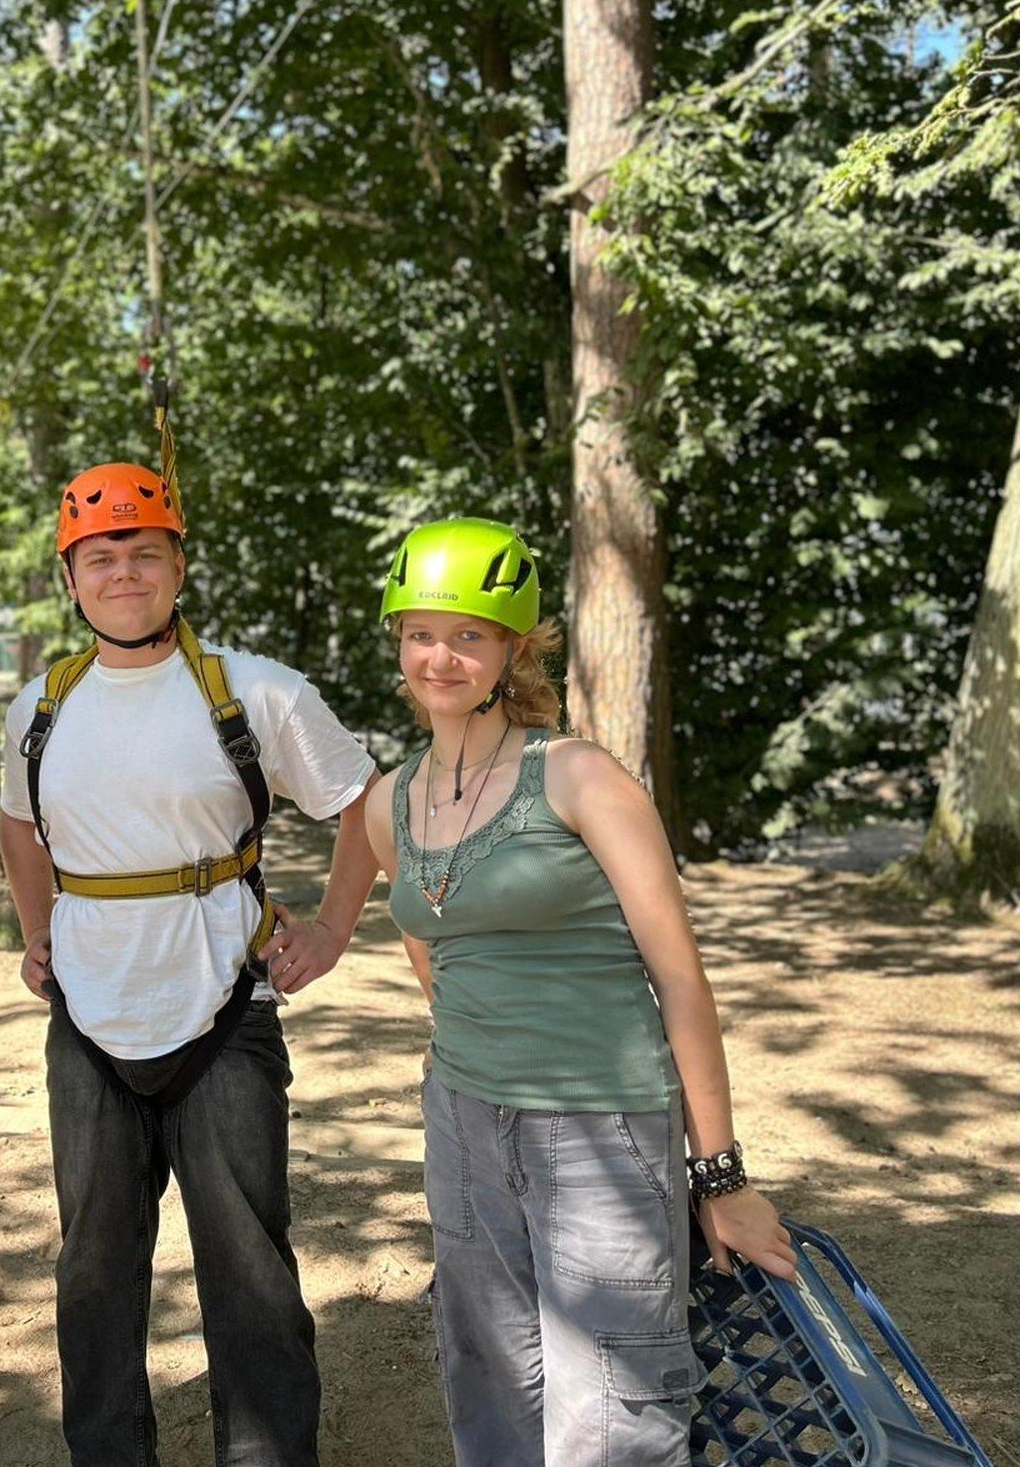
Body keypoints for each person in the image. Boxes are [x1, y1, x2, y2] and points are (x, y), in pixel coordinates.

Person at [362, 517, 796, 1466]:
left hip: (601, 1122)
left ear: (512, 648)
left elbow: (679, 978)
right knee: (489, 1377)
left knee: (613, 1405)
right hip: (462, 1119)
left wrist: (720, 1178)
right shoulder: (387, 801)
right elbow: (435, 957)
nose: (441, 657)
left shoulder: (578, 775)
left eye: (468, 635)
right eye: (421, 633)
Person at [0, 460, 380, 1466]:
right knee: (92, 1271)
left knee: (249, 1270)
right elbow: (16, 822)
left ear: (179, 567)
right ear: (69, 578)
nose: (122, 573)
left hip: (224, 1014)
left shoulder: (255, 692)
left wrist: (331, 931)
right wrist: (36, 929)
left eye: (143, 553)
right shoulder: (39, 708)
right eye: (99, 557)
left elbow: (363, 804)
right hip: (87, 1020)